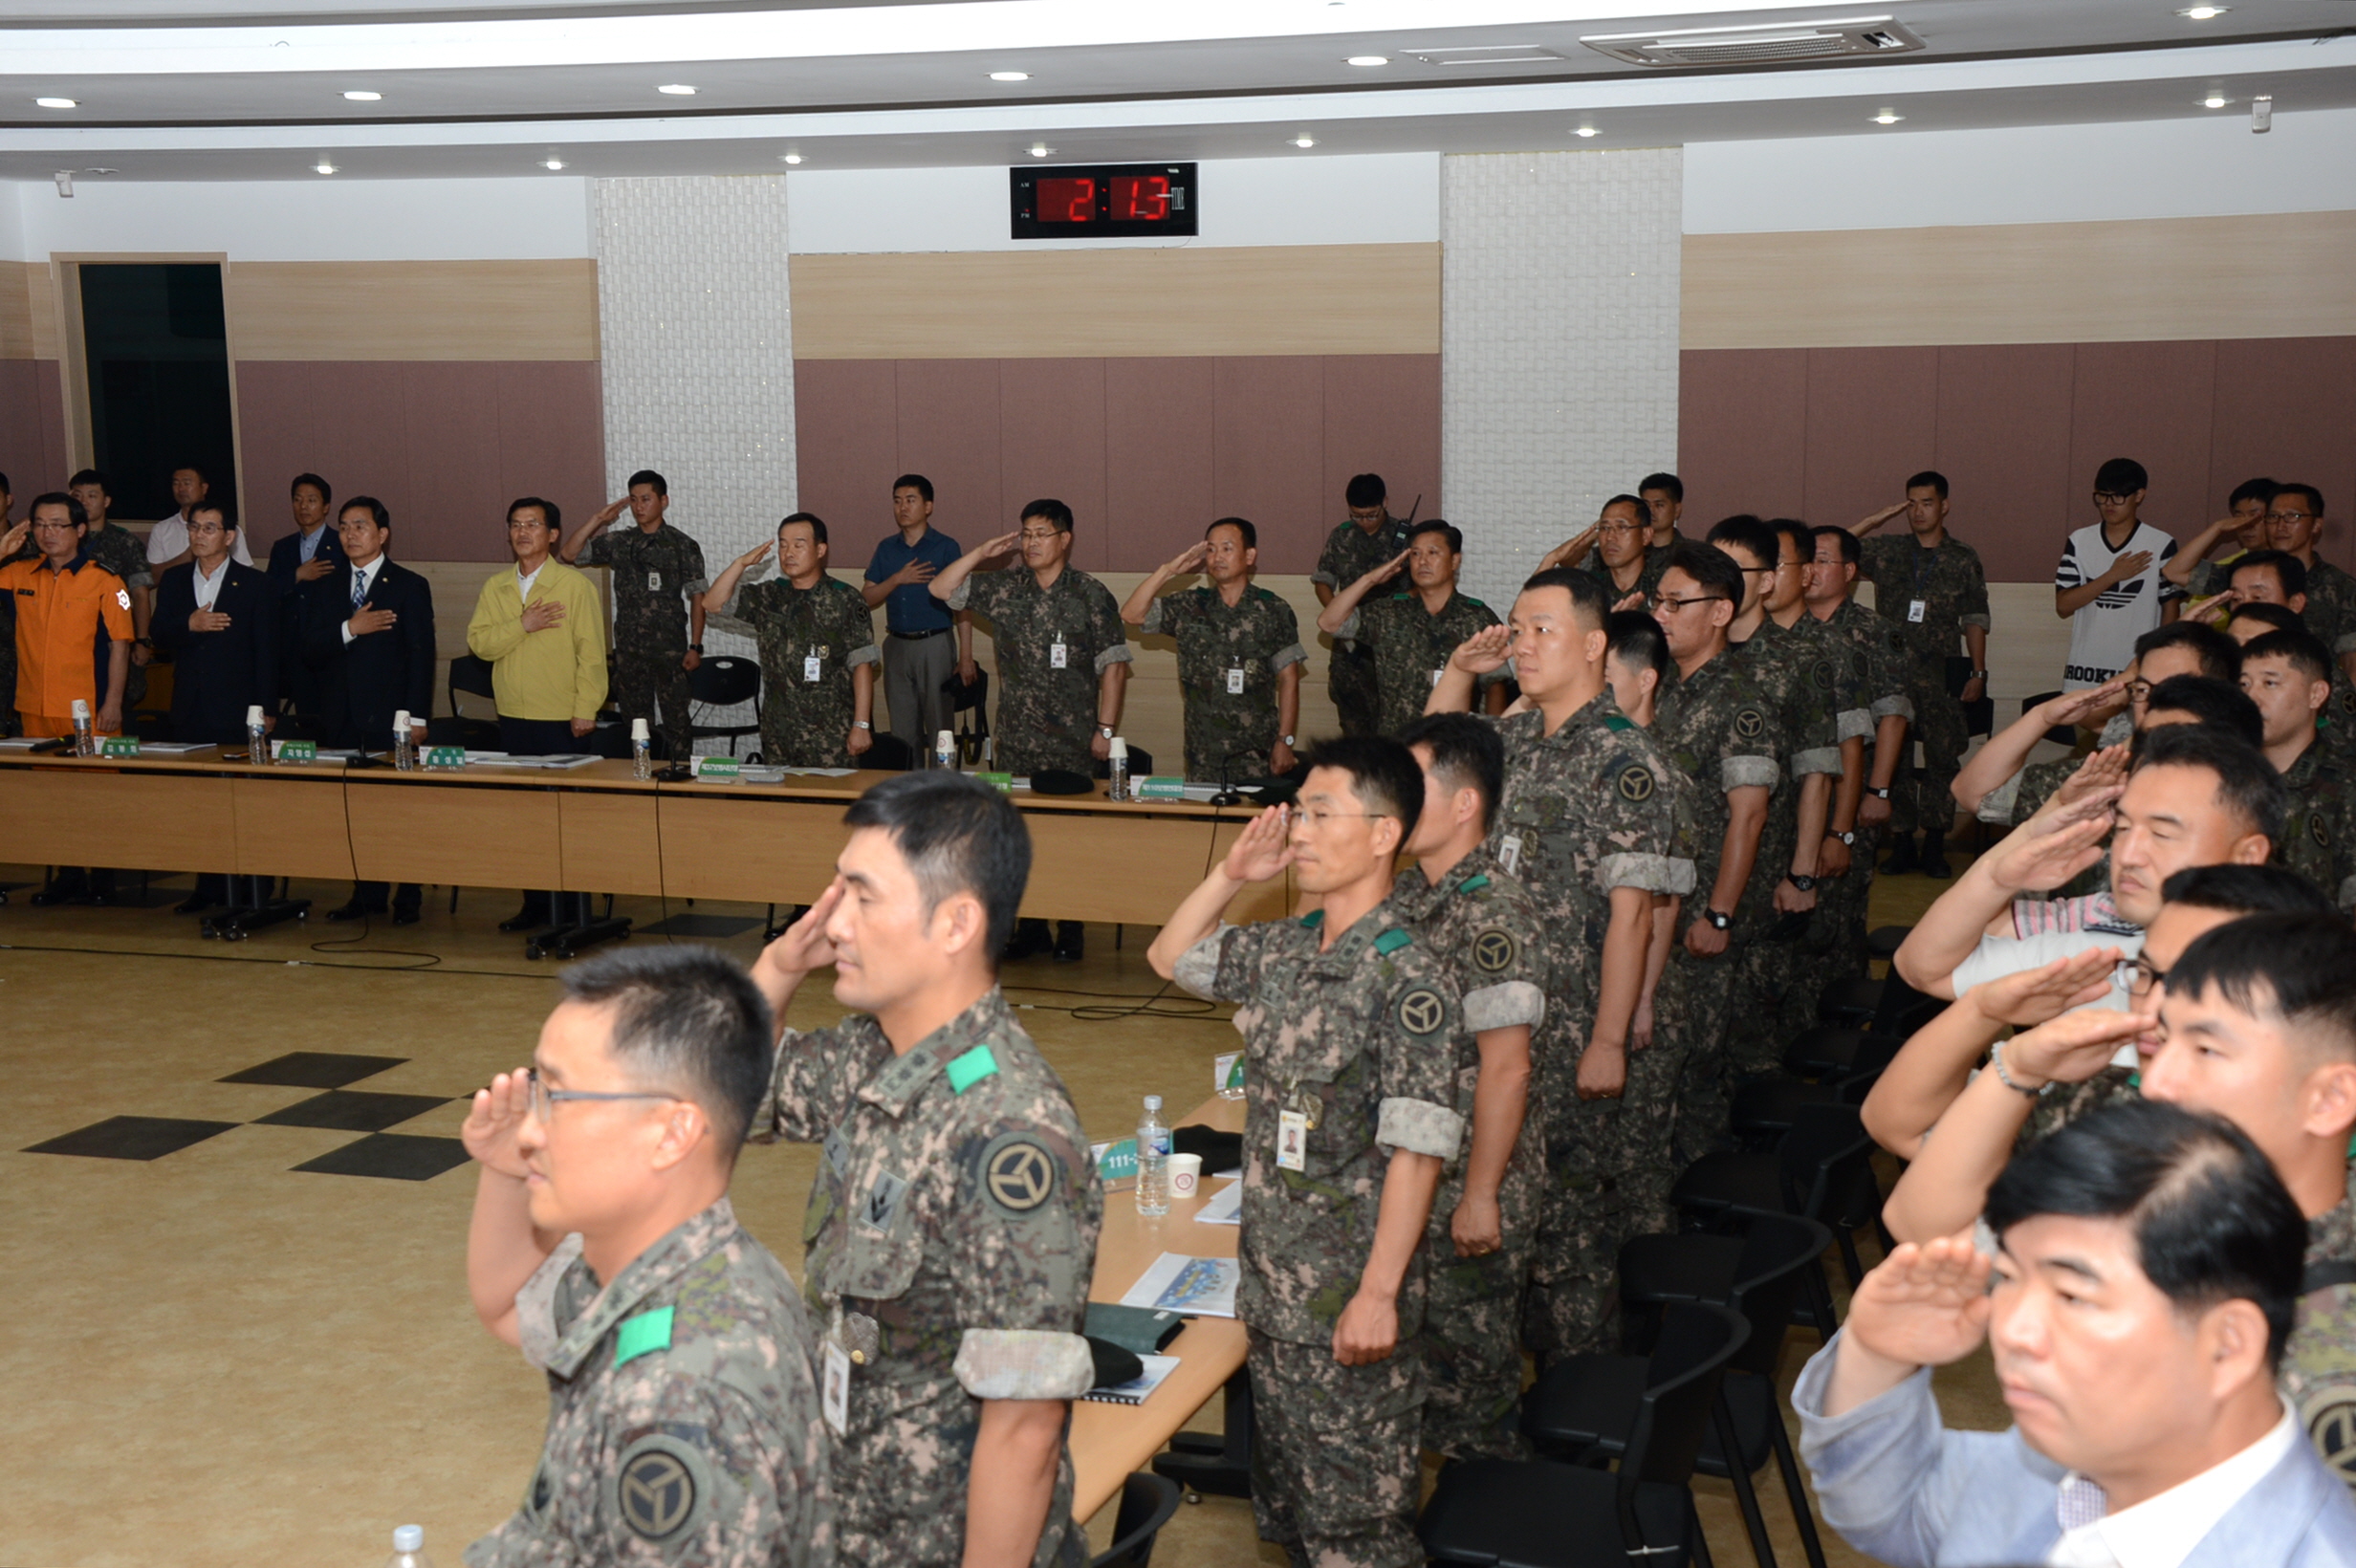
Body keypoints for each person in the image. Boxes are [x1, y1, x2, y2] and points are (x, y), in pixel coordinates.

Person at [747, 772, 1099, 1568]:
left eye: (863, 897)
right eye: (838, 890)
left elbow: (1025, 1423)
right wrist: (778, 965)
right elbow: (739, 1091)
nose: (835, 921)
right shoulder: (881, 1053)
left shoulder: (1011, 1132)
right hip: (852, 1520)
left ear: (956, 923)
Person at [1799, 1100, 2356, 1567]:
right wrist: (1877, 1356)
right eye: (2009, 1277)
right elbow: (1896, 1510)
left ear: (2228, 1344)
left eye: (2072, 1296)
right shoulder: (2058, 1466)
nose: (2013, 1329)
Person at [1152, 739, 1461, 1568]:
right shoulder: (1288, 948)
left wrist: (1379, 1296)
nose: (1300, 832)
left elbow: (1419, 1155)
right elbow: (1169, 957)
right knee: (1293, 1524)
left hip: (1347, 1304)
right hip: (1273, 1298)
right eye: (1299, 814)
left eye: (1322, 815)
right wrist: (1230, 875)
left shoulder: (1410, 979)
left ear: (1385, 833)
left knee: (1357, 1539)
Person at [460, 946, 830, 1568]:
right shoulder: (679, 1266)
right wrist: (508, 1173)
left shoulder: (686, 1400)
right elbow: (506, 1307)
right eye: (537, 1091)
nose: (529, 1130)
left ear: (671, 1133)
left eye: (559, 1098)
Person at [1431, 571, 1687, 1352]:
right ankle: (1512, 1372)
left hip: (1569, 1024)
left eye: (1543, 629)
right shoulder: (1513, 740)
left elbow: (1634, 913)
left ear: (1595, 644)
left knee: (1570, 1229)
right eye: (1517, 628)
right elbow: (1427, 770)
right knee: (1498, 1211)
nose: (1523, 644)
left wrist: (1608, 1040)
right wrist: (1460, 671)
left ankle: (1583, 1393)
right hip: (1493, 1019)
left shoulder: (1624, 761)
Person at [1389, 713, 1548, 1459]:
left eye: (1411, 786)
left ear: (1464, 805)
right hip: (1418, 1167)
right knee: (1422, 1370)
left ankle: (1485, 1508)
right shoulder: (1412, 895)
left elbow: (1507, 1067)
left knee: (1469, 1390)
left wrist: (1482, 1193)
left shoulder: (1492, 912)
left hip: (1470, 1177)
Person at [1893, 723, 2282, 1004]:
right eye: (2123, 828)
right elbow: (1924, 969)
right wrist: (2000, 875)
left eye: (2162, 834)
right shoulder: (2104, 943)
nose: (2127, 855)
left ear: (2248, 855)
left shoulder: (2289, 982)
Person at [931, 498, 1130, 963]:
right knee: (1019, 836)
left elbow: (1115, 666)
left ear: (1065, 539)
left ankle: (1071, 927)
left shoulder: (1090, 594)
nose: (1031, 543)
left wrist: (1105, 729)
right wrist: (981, 553)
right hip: (1017, 738)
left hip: (1073, 740)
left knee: (1070, 838)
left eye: (1042, 534)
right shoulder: (1006, 587)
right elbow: (941, 588)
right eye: (1025, 534)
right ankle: (1032, 927)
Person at [1647, 542, 1782, 1160]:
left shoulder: (1740, 700)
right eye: (1658, 601)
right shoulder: (1668, 688)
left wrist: (1720, 915)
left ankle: (1701, 1183)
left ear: (1721, 611)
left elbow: (1749, 815)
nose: (1662, 614)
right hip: (1661, 907)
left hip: (1705, 909)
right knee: (1665, 1051)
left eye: (1677, 603)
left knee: (1698, 1060)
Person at [1712, 515, 1854, 1081]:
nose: (1721, 581)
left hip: (1768, 865)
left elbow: (1817, 772)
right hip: (1702, 865)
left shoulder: (1797, 660)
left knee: (1752, 1031)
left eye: (1736, 570)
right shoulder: (1696, 656)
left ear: (1767, 580)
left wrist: (1801, 874)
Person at [468, 498, 609, 933]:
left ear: (552, 534)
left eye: (532, 524)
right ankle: (535, 904)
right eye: (515, 524)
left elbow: (592, 655)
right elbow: (480, 644)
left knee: (567, 817)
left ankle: (574, 909)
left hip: (563, 718)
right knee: (525, 819)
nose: (522, 532)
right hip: (514, 716)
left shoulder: (573, 585)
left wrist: (585, 708)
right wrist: (521, 626)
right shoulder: (496, 586)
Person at [1851, 471, 1990, 876]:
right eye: (1910, 504)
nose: (1918, 512)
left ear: (1944, 506)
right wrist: (1876, 518)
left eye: (1926, 503)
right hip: (1892, 675)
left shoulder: (1962, 557)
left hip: (1943, 674)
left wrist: (1978, 671)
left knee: (1943, 759)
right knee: (1893, 761)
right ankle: (1901, 842)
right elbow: (1834, 548)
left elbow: (1975, 618)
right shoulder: (1889, 551)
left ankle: (1934, 843)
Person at [307, 496, 435, 924]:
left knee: (399, 812)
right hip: (342, 715)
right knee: (357, 810)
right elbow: (309, 647)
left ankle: (409, 895)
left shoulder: (408, 585)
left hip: (392, 718)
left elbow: (421, 655)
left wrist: (416, 717)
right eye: (344, 527)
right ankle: (367, 894)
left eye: (359, 526)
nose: (350, 535)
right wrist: (350, 628)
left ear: (382, 534)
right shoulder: (326, 584)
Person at [2, 493, 133, 906]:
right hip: (35, 707)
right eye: (40, 524)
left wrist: (113, 703)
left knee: (97, 797)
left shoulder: (106, 580)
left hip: (88, 710)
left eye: (58, 524)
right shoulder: (20, 573)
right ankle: (67, 874)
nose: (48, 533)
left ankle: (104, 876)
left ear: (79, 530)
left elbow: (120, 645)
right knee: (52, 798)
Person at [147, 498, 276, 914]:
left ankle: (255, 886)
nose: (199, 535)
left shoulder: (254, 584)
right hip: (190, 707)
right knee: (201, 804)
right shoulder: (174, 580)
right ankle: (208, 887)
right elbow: (157, 633)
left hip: (239, 709)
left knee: (244, 802)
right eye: (194, 527)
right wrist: (189, 624)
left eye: (209, 528)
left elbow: (267, 652)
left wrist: (267, 709)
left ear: (229, 536)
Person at [1800, 524, 1912, 1004]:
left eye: (1823, 560)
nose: (1811, 570)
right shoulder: (1787, 627)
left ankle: (1845, 1005)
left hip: (1852, 785)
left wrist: (1878, 791)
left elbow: (1893, 715)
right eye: (1806, 559)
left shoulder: (1875, 631)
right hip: (1801, 788)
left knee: (1841, 909)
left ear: (1849, 572)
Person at [1119, 516, 1304, 782]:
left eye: (1227, 548)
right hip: (1202, 753)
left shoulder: (1273, 610)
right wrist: (1168, 571)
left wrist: (1285, 740)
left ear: (1249, 556)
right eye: (1211, 549)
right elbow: (1131, 614)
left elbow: (1289, 679)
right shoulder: (1191, 605)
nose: (1217, 557)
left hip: (1255, 752)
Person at [701, 513, 877, 769]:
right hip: (779, 734)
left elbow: (862, 664)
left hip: (829, 734)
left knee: (832, 795)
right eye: (783, 545)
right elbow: (712, 603)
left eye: (798, 545)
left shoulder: (845, 600)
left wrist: (861, 725)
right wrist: (740, 564)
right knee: (782, 795)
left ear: (820, 550)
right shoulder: (771, 595)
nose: (789, 553)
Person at [561, 469, 707, 763]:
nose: (639, 506)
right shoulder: (620, 541)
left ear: (663, 501)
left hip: (670, 651)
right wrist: (598, 519)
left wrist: (695, 645)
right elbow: (569, 554)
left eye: (646, 499)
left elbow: (697, 597)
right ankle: (641, 777)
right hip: (630, 652)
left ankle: (681, 778)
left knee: (677, 723)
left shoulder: (682, 545)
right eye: (633, 500)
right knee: (636, 725)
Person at [1318, 520, 1506, 736]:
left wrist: (1495, 737)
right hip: (1396, 742)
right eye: (1415, 554)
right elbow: (1328, 623)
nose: (1422, 561)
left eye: (1433, 553)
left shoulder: (1477, 617)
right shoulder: (1389, 612)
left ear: (1455, 561)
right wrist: (1370, 579)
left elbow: (1495, 685)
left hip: (1453, 741)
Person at [2238, 627, 2355, 909]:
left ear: (2316, 694)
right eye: (2244, 685)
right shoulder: (2222, 774)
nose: (2252, 698)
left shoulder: (2345, 785)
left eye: (2270, 683)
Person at [861, 474, 974, 753]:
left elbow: (963, 605)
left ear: (928, 506)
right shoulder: (887, 548)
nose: (903, 507)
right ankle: (909, 781)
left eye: (910, 500)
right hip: (896, 645)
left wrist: (966, 656)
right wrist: (896, 579)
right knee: (902, 730)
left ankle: (939, 781)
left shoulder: (946, 547)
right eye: (897, 501)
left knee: (940, 727)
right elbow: (866, 598)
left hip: (935, 644)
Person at [2057, 456, 2185, 691]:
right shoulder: (2079, 541)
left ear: (2139, 495)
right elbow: (2063, 606)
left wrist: (2160, 660)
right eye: (2102, 496)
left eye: (2118, 496)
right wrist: (2112, 576)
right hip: (2084, 670)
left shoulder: (2160, 543)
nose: (2109, 504)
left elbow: (2170, 608)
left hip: (2137, 669)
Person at [1312, 474, 1417, 737]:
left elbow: (1423, 586)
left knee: (1397, 723)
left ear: (1385, 503)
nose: (1364, 522)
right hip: (1351, 644)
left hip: (1394, 640)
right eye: (1357, 515)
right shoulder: (1342, 536)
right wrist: (1339, 615)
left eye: (1371, 515)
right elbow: (1323, 581)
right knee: (1353, 724)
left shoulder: (1407, 537)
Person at [59, 469, 154, 716]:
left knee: (116, 708)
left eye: (92, 495)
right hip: (69, 640)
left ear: (106, 501)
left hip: (114, 638)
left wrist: (142, 640)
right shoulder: (59, 539)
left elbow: (140, 594)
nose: (84, 502)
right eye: (77, 495)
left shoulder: (124, 542)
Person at [265, 471, 343, 728]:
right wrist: (296, 576)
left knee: (335, 716)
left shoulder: (342, 544)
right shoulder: (282, 547)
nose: (303, 506)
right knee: (306, 720)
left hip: (331, 645)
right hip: (293, 648)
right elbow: (267, 593)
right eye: (297, 500)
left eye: (311, 500)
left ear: (326, 506)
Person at [2265, 485, 2356, 681]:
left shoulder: (2341, 586)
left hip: (2315, 691)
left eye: (2292, 517)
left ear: (2316, 525)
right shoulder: (2249, 575)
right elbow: (2190, 572)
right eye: (2273, 517)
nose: (2280, 526)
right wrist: (2217, 529)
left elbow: (2352, 662)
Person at [1537, 494, 1670, 605]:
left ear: (1645, 535)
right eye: (1605, 528)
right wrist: (1551, 559)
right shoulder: (1588, 588)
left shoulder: (1665, 587)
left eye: (1621, 527)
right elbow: (1531, 612)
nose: (1610, 537)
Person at [2168, 476, 2280, 599]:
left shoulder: (2292, 567)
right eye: (2239, 517)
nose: (2246, 525)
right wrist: (2217, 527)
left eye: (2255, 517)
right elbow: (2173, 572)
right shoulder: (2235, 571)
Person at [146, 461, 252, 574]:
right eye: (176, 484)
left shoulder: (227, 528)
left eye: (187, 483)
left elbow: (245, 572)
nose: (181, 489)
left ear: (204, 488)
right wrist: (186, 557)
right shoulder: (162, 529)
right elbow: (152, 576)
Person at [1638, 471, 1685, 552]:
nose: (1650, 510)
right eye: (1646, 505)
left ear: (1677, 510)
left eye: (1659, 505)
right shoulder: (1630, 552)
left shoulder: (1693, 554)